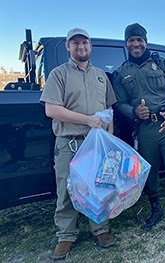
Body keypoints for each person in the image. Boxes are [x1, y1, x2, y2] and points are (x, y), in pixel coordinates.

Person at [40, 28, 117, 260]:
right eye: (75, 43)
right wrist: (88, 121)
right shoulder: (58, 74)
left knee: (99, 187)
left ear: (90, 46)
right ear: (68, 47)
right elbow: (51, 109)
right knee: (66, 191)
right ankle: (66, 236)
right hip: (69, 144)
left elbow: (109, 110)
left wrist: (109, 139)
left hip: (97, 144)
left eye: (84, 42)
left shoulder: (101, 75)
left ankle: (101, 229)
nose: (81, 47)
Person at [113, 23, 165, 244]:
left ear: (145, 41)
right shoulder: (121, 72)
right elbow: (119, 103)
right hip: (145, 128)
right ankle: (156, 209)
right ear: (126, 43)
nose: (136, 44)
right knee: (148, 171)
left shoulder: (162, 64)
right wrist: (134, 111)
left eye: (139, 40)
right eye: (131, 40)